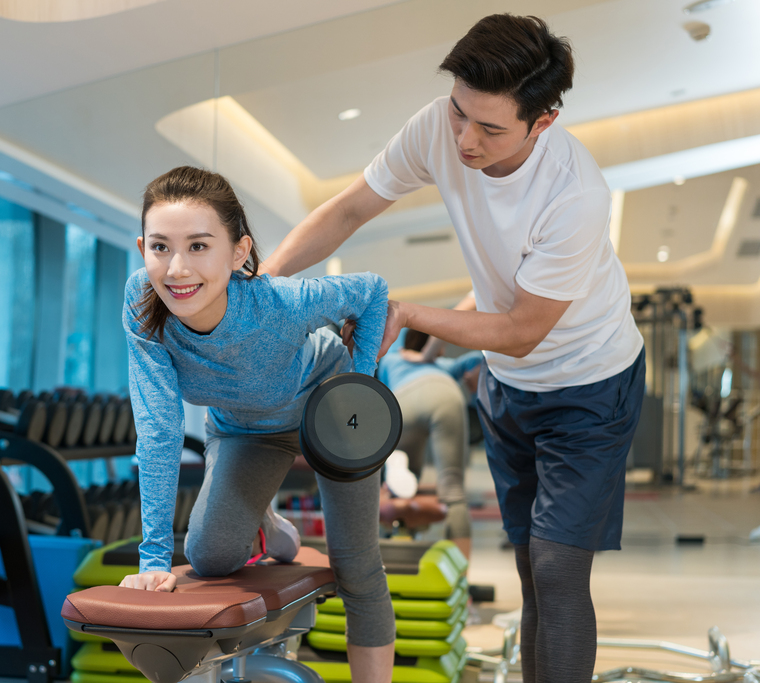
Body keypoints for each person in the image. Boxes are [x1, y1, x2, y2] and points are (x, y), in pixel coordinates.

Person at [260, 14, 645, 683]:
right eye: (461, 113)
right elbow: (348, 209)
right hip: (509, 385)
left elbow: (526, 327)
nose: (465, 138)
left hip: (590, 383)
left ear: (542, 122)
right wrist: (263, 289)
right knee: (530, 561)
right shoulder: (438, 126)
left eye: (490, 128)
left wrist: (407, 311)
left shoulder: (576, 193)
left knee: (558, 565)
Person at [119, 166, 396, 680]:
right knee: (209, 556)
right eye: (161, 247)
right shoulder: (142, 305)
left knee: (356, 566)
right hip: (246, 428)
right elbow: (158, 429)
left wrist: (360, 389)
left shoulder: (278, 302)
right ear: (142, 248)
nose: (177, 269)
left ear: (239, 252)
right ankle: (266, 523)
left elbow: (372, 290)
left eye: (199, 246)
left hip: (328, 412)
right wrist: (153, 561)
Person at [377, 328, 473, 558]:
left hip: (403, 400)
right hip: (445, 394)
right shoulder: (444, 364)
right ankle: (461, 575)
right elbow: (478, 359)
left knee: (398, 483)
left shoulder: (391, 360)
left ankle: (388, 559)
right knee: (453, 490)